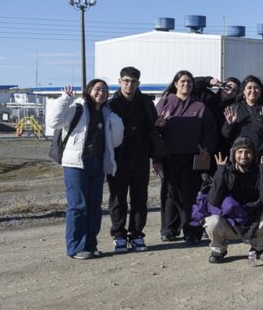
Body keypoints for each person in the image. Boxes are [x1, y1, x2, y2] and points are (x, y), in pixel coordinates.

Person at [47, 80, 124, 260]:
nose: (101, 93)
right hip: (75, 164)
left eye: (105, 90)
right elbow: (53, 122)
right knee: (78, 206)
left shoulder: (106, 114)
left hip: (96, 164)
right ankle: (75, 248)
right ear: (89, 90)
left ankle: (90, 245)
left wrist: (115, 119)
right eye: (97, 89)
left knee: (94, 207)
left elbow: (116, 140)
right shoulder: (77, 108)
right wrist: (64, 99)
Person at [107, 66, 165, 253]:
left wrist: (156, 158)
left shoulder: (146, 103)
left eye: (133, 81)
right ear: (119, 81)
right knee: (118, 200)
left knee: (140, 199)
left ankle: (137, 234)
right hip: (118, 160)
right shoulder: (111, 104)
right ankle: (119, 235)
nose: (129, 85)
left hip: (140, 158)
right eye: (126, 81)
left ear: (138, 83)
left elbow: (153, 131)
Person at [156, 70, 217, 245]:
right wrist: (157, 158)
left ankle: (192, 231)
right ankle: (169, 229)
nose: (186, 84)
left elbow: (210, 130)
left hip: (192, 157)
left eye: (189, 82)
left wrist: (207, 148)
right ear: (176, 83)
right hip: (169, 156)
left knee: (191, 196)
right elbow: (153, 131)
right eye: (182, 81)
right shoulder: (164, 103)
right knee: (169, 194)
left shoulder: (200, 106)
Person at [195, 137, 263, 264]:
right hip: (231, 222)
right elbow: (213, 201)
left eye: (247, 152)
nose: (244, 155)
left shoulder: (259, 172)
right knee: (212, 221)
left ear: (253, 154)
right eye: (240, 152)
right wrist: (220, 172)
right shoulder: (226, 172)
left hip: (253, 220)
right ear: (234, 154)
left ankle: (258, 248)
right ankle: (219, 250)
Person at [221, 75, 263, 161]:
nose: (253, 91)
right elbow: (225, 135)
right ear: (244, 91)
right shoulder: (234, 108)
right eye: (249, 88)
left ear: (260, 90)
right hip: (242, 158)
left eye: (256, 88)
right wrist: (230, 124)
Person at [193, 76, 241, 159]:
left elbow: (227, 134)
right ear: (222, 85)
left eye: (234, 91)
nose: (230, 91)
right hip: (200, 144)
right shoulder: (208, 97)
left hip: (220, 149)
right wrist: (208, 81)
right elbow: (192, 84)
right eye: (228, 87)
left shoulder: (234, 108)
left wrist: (230, 124)